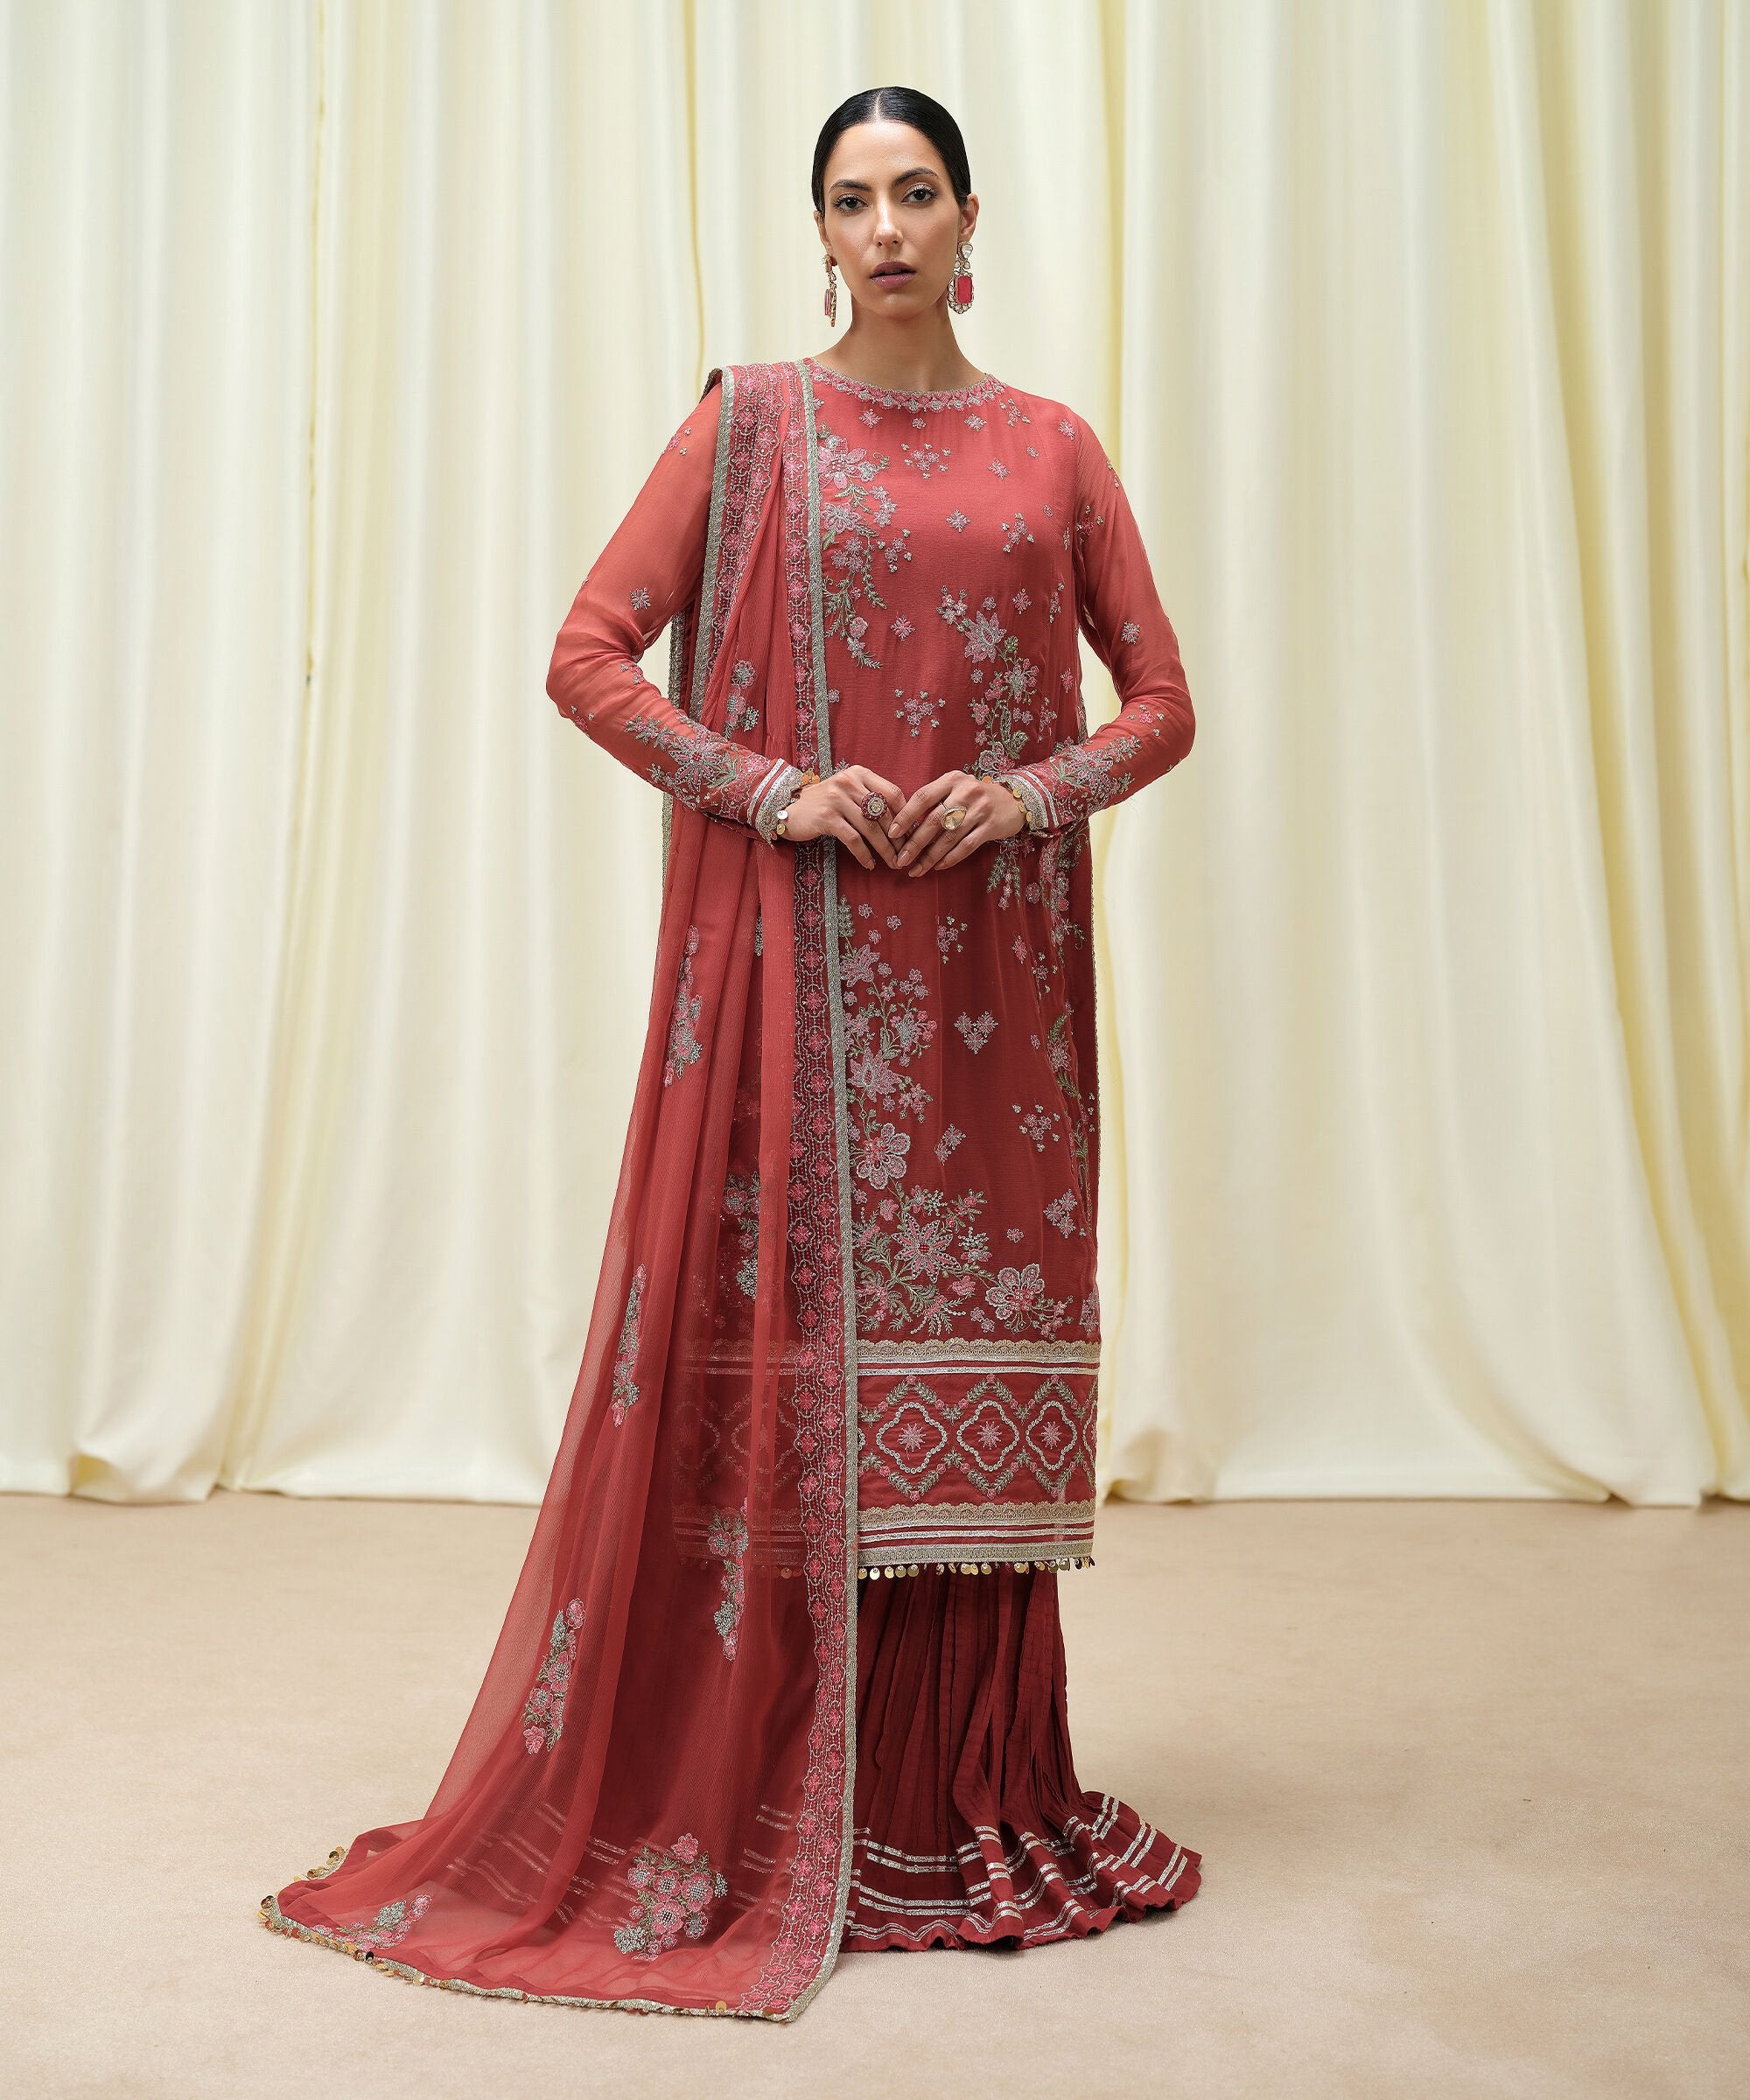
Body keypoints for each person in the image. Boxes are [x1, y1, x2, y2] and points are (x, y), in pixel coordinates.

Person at [260, 83, 1200, 2023]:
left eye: (916, 193)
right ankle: (774, 1796)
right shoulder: (751, 424)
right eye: (852, 199)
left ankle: (957, 1802)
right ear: (819, 229)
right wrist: (777, 790)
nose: (886, 229)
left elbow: (1163, 703)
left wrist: (1024, 794)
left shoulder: (1052, 446)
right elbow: (589, 653)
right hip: (795, 990)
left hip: (998, 1004)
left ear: (970, 218)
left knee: (969, 1377)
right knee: (781, 1369)